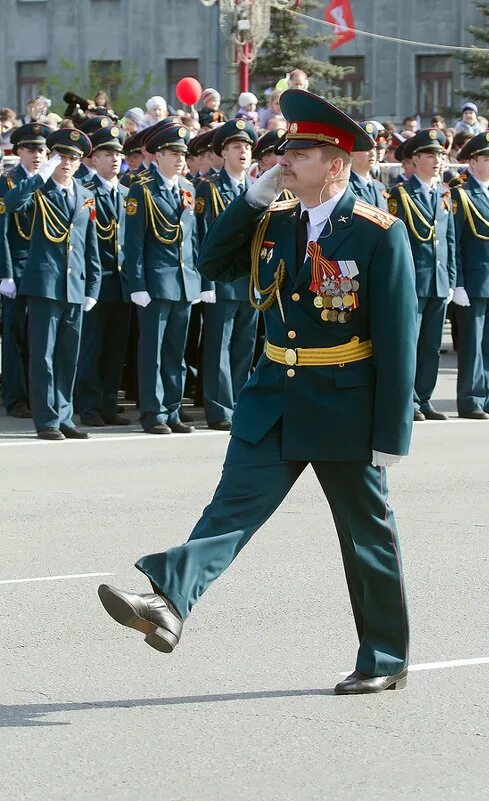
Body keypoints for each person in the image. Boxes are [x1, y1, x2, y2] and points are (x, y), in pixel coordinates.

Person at [98, 89, 417, 696]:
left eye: (299, 152)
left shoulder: (378, 234)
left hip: (345, 402)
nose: (284, 160)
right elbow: (213, 261)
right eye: (284, 150)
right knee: (230, 511)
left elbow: (400, 340)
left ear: (336, 164)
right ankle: (169, 600)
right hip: (273, 395)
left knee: (364, 535)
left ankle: (384, 658)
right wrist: (252, 197)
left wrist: (391, 433)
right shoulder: (273, 222)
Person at [4, 128, 101, 440]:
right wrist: (39, 175)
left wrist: (93, 286)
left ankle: (64, 414)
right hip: (45, 283)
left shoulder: (85, 194)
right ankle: (46, 419)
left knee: (68, 355)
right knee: (43, 355)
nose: (68, 162)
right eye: (62, 156)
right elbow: (12, 202)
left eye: (73, 157)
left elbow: (90, 245)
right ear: (52, 158)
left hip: (75, 284)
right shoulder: (39, 191)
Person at [123, 120, 202, 434]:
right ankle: (153, 413)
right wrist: (138, 284)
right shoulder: (141, 189)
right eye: (172, 152)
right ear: (157, 156)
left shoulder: (188, 189)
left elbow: (191, 241)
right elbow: (134, 243)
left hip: (183, 282)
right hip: (155, 283)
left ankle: (172, 409)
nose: (180, 158)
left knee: (175, 352)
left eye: (182, 153)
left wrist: (198, 280)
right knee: (152, 352)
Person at [194, 119, 259, 431]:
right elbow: (203, 237)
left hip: (251, 280)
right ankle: (219, 408)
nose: (243, 152)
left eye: (247, 147)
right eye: (236, 147)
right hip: (222, 279)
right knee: (218, 345)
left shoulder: (257, 188)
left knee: (244, 345)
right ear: (223, 152)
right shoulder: (209, 188)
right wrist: (206, 282)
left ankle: (240, 403)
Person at [388, 129, 456, 421]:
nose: (438, 160)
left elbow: (448, 239)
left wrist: (451, 279)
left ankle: (424, 397)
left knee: (431, 346)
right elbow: (396, 242)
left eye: (440, 154)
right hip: (413, 280)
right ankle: (408, 400)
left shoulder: (444, 194)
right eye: (430, 154)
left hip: (439, 281)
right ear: (415, 159)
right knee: (409, 345)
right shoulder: (401, 194)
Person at [451, 131, 489, 419]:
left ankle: (487, 396)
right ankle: (470, 399)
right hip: (474, 282)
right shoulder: (461, 195)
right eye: (488, 158)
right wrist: (459, 283)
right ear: (472, 162)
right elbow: (455, 242)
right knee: (472, 345)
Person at [76, 124, 132, 427]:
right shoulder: (86, 192)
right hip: (96, 283)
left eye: (117, 153)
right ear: (92, 159)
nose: (114, 158)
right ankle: (89, 406)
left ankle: (110, 403)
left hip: (122, 284)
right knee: (92, 348)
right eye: (107, 153)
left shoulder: (126, 193)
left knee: (115, 348)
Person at [0, 123, 50, 418]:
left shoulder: (47, 181)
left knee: (38, 337)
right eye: (31, 149)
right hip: (17, 268)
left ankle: (36, 395)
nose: (37, 155)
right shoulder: (7, 183)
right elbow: (3, 230)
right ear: (18, 151)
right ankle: (15, 396)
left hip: (43, 268)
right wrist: (4, 272)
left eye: (42, 150)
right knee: (15, 333)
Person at [349, 121, 388, 209]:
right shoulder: (345, 187)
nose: (372, 153)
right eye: (365, 148)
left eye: (374, 148)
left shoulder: (379, 186)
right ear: (351, 153)